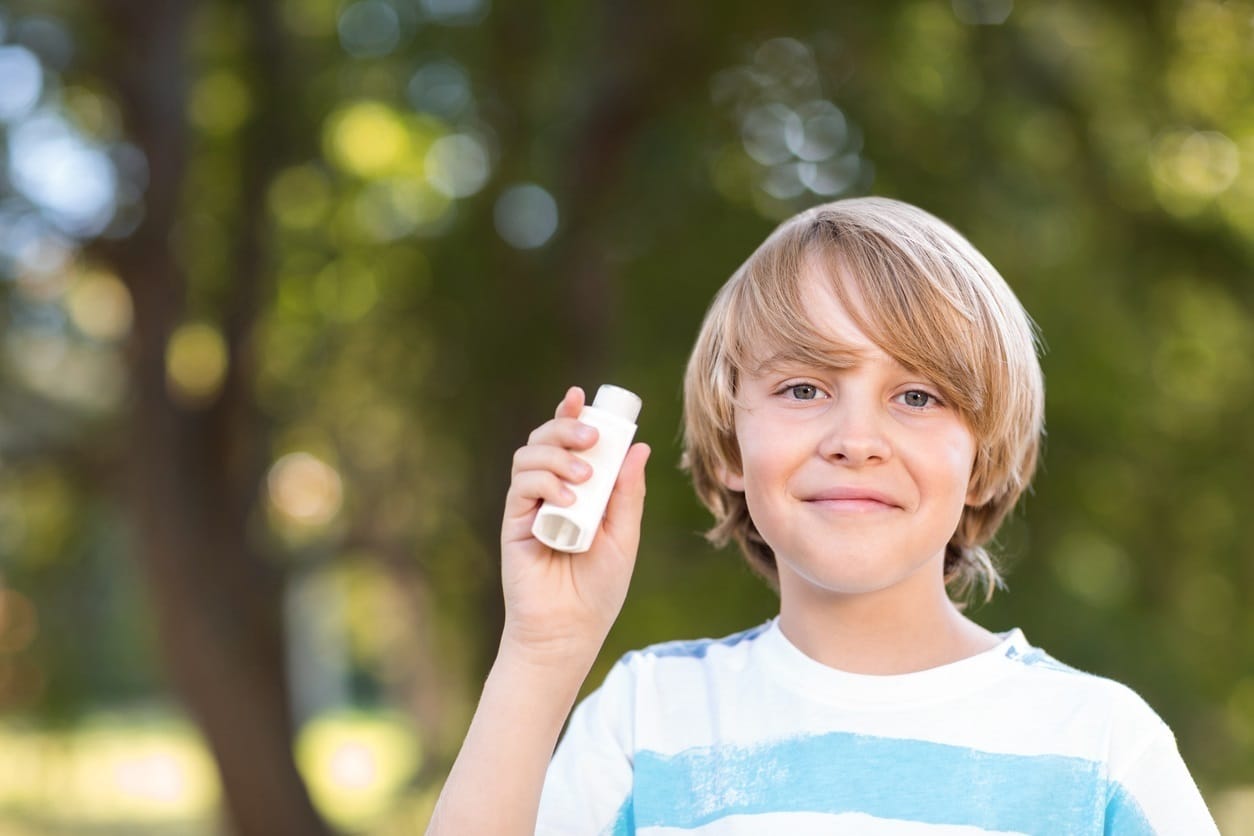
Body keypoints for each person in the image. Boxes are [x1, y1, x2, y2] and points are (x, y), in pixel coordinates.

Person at [426, 197, 1219, 834]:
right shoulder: (647, 722)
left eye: (916, 396)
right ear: (733, 445)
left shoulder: (1102, 746)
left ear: (980, 460)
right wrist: (542, 651)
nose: (856, 440)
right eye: (804, 389)